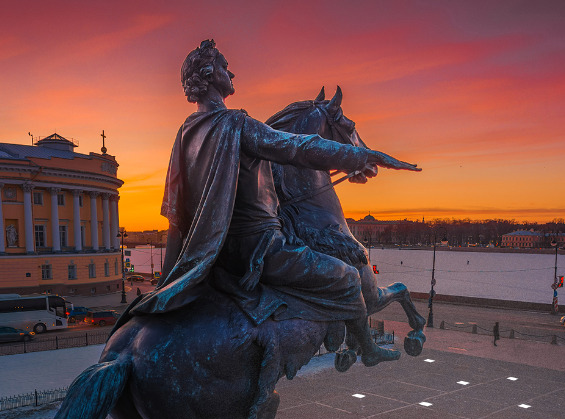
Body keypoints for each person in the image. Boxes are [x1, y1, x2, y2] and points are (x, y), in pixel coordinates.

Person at [130, 39, 418, 366]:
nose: (231, 71)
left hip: (217, 255)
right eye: (225, 65)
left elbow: (175, 215)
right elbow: (300, 148)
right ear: (210, 75)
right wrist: (363, 155)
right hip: (261, 249)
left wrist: (171, 280)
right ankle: (368, 349)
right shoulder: (236, 125)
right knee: (350, 279)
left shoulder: (186, 133)